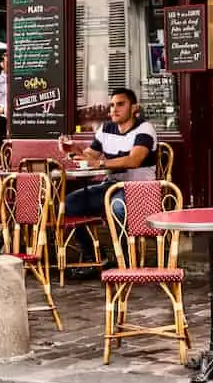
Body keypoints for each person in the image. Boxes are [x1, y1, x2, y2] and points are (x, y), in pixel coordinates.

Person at [58, 87, 156, 279]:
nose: (114, 109)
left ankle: (127, 262)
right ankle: (96, 258)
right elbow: (89, 156)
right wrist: (72, 149)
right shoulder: (106, 129)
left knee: (117, 207)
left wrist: (100, 162)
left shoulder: (144, 129)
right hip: (111, 185)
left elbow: (134, 160)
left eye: (120, 104)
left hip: (139, 188)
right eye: (112, 105)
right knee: (71, 203)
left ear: (134, 108)